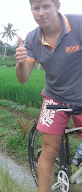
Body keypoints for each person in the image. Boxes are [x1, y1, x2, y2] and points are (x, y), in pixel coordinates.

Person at [15, 0, 82, 191]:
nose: (41, 12)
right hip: (54, 98)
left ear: (57, 6)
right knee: (49, 151)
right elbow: (23, 78)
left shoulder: (78, 25)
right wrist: (20, 63)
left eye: (46, 6)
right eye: (36, 8)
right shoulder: (32, 39)